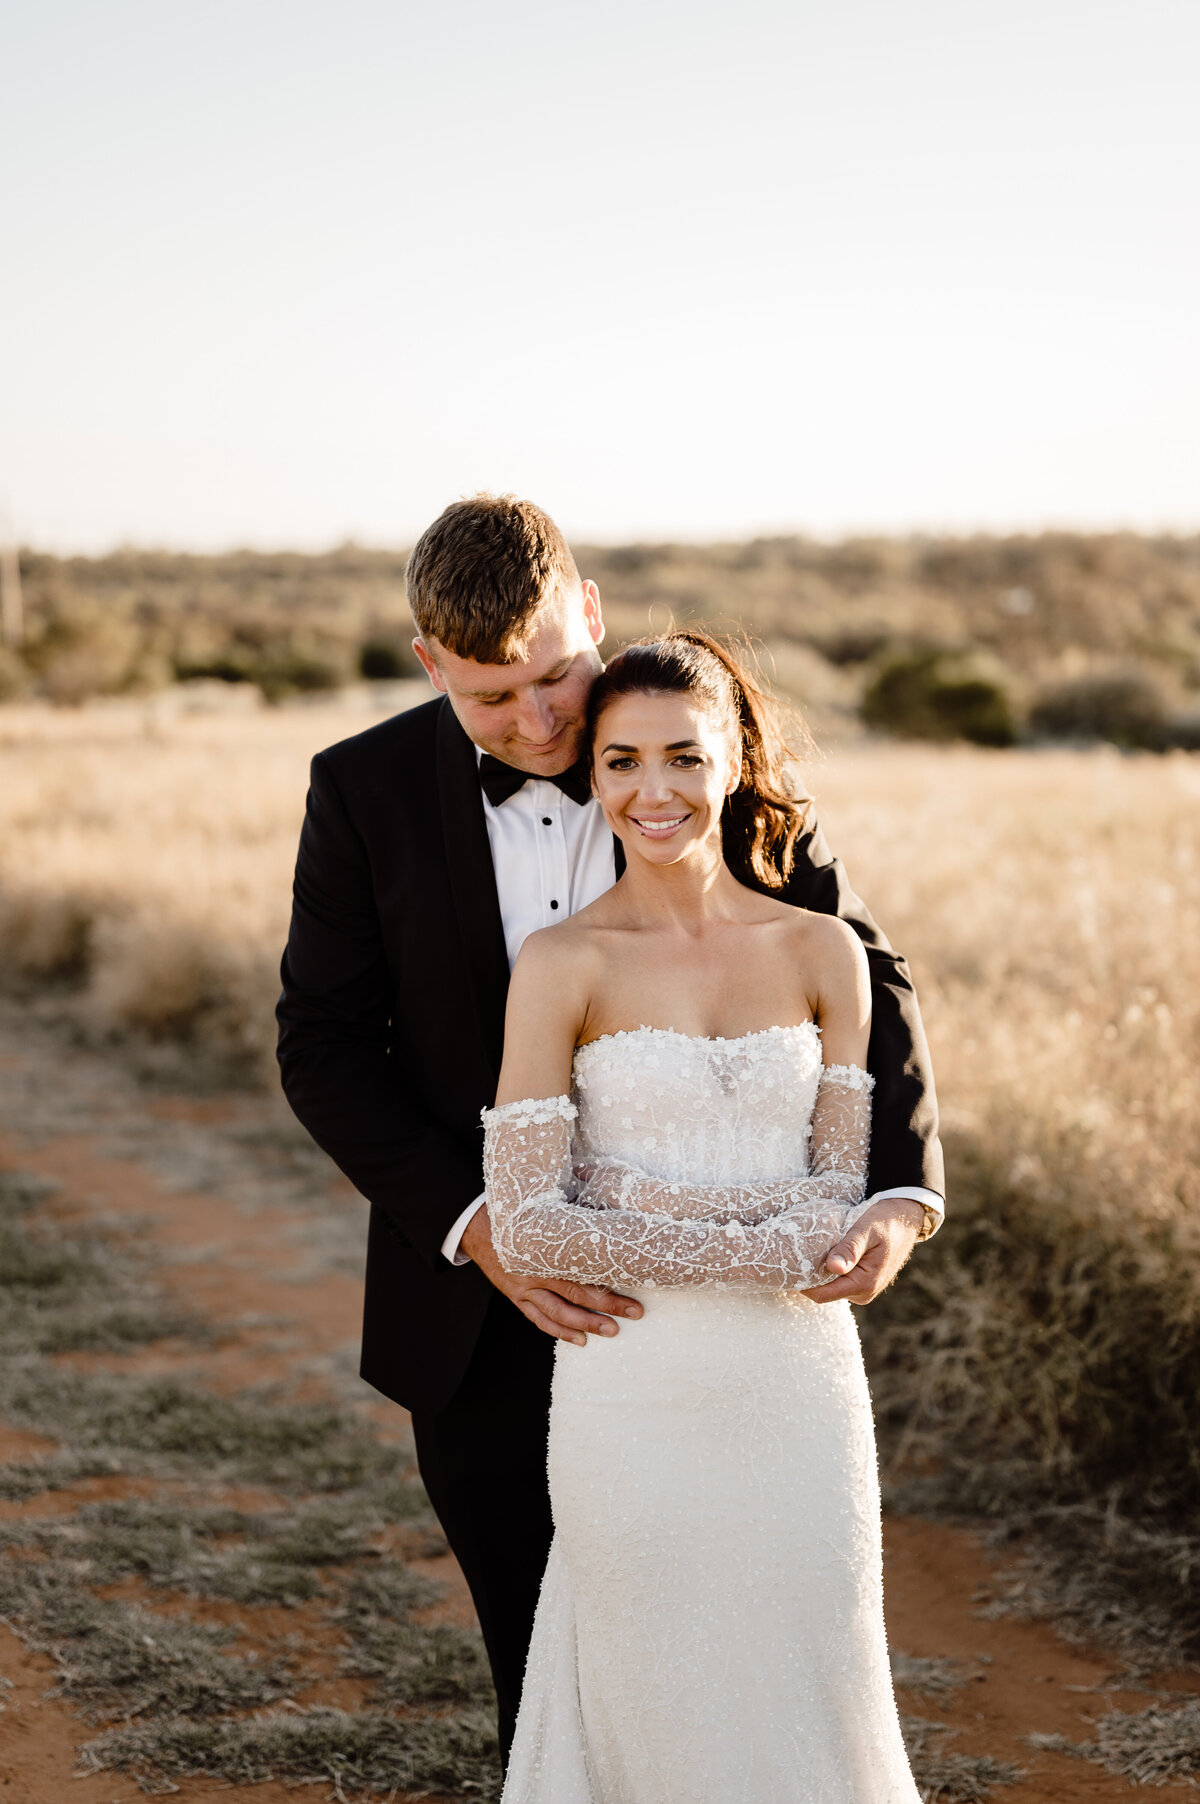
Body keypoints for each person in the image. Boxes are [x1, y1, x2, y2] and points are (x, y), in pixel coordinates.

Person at [275, 494, 944, 1766]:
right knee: (547, 1661)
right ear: (430, 668)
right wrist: (482, 1228)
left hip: (732, 1333)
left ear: (591, 613)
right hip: (481, 1311)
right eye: (489, 700)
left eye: (554, 677)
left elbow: (870, 974)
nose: (538, 724)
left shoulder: (687, 748)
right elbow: (321, 1046)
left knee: (758, 1630)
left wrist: (898, 1194)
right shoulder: (359, 792)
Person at [484, 629, 926, 1800]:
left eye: (683, 756)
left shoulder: (826, 950)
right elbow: (529, 1224)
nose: (654, 791)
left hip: (798, 1388)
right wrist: (754, 1237)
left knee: (809, 1671)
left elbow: (840, 1189)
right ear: (593, 778)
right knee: (652, 1683)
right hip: (631, 1378)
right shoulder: (560, 962)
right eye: (621, 761)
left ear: (735, 758)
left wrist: (627, 1196)